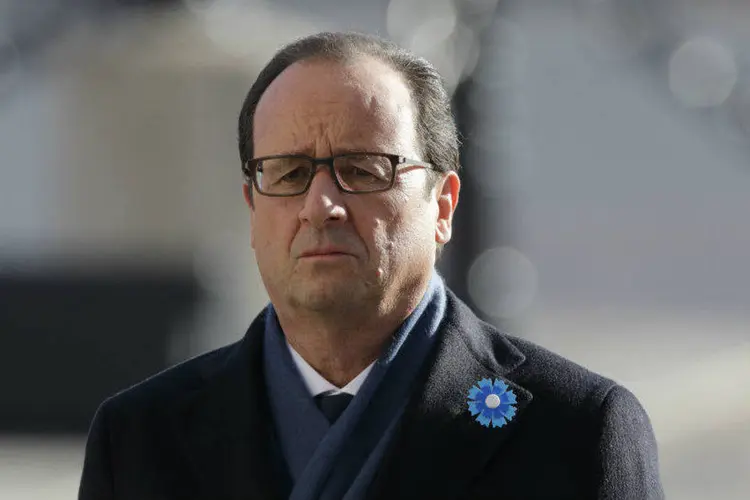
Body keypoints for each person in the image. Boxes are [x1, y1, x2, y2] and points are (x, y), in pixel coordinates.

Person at [78, 32, 664, 500]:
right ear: (253, 206)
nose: (321, 206)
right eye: (287, 172)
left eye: (363, 169)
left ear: (443, 205)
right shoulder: (141, 440)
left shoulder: (576, 433)